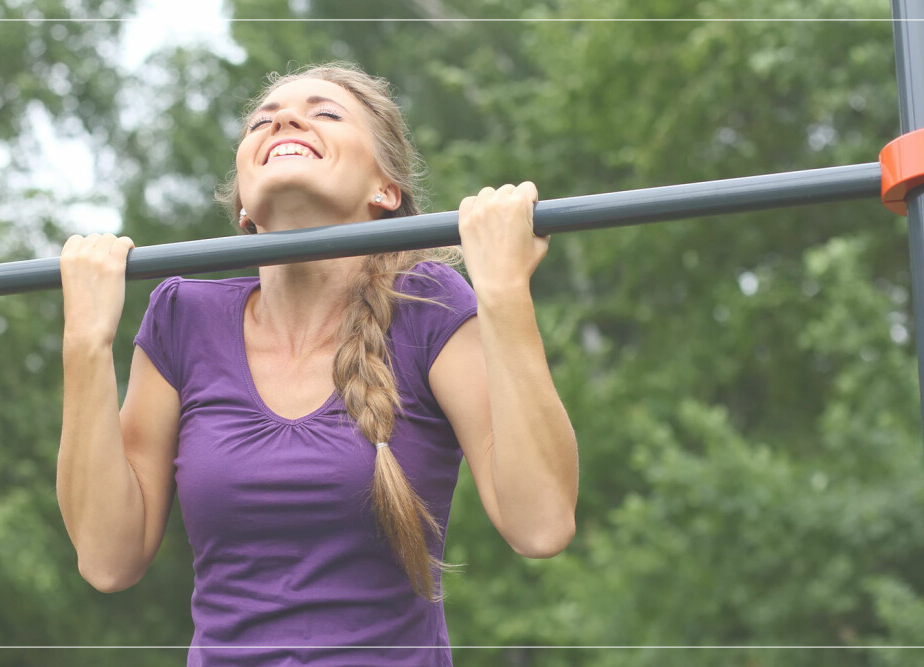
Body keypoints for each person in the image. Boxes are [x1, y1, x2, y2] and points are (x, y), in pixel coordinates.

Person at [55, 62, 579, 666]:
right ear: (246, 208)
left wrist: (505, 291)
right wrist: (85, 344)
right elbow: (106, 559)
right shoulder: (183, 318)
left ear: (384, 189)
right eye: (262, 121)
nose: (284, 118)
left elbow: (541, 525)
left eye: (325, 112)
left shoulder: (427, 307)